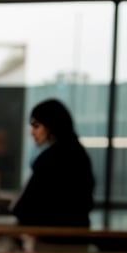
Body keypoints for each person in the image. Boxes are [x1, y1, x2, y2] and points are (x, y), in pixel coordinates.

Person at [11, 98, 95, 228]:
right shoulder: (79, 153)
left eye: (36, 126)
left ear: (51, 125)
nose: (32, 133)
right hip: (77, 236)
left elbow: (25, 207)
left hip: (50, 239)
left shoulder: (50, 158)